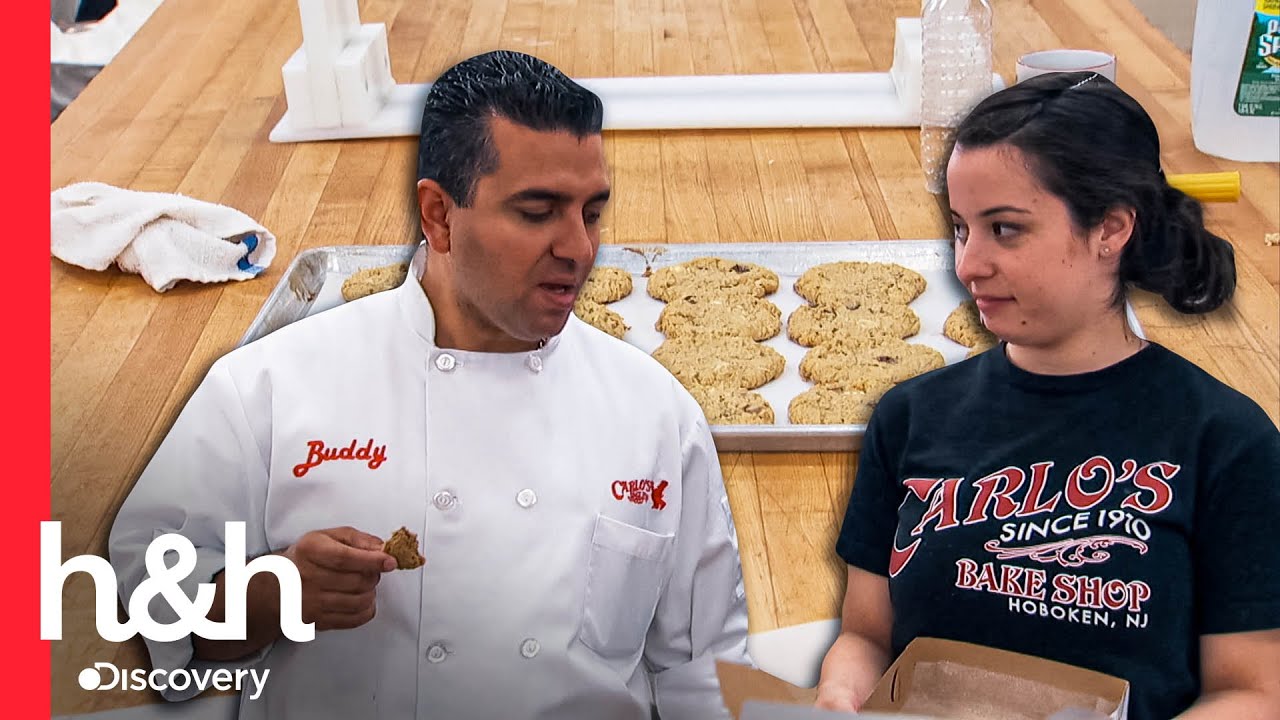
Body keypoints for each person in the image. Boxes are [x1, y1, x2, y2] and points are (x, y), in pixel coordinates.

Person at [109, 50, 749, 720]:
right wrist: (270, 598)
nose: (579, 248)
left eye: (591, 212)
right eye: (538, 211)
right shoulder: (270, 387)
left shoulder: (654, 413)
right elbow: (151, 593)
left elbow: (705, 669)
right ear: (439, 215)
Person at [814, 71, 1280, 719]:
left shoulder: (1225, 440)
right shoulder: (911, 417)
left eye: (1005, 229)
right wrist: (842, 693)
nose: (969, 265)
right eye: (960, 228)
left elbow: (1252, 692)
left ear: (1110, 230)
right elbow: (867, 637)